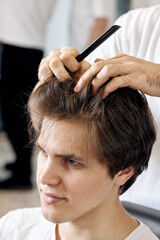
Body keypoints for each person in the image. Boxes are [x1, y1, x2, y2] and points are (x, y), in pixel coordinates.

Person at [0, 68, 158, 239]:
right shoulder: (13, 228)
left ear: (124, 171)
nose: (45, 178)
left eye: (71, 161)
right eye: (43, 152)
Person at [38, 5, 160, 210]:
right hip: (118, 206)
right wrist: (56, 81)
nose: (44, 179)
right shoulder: (136, 25)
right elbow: (57, 128)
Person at [0, 0, 57, 189]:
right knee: (22, 112)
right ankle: (20, 164)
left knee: (14, 114)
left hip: (15, 46)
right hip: (34, 47)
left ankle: (22, 174)